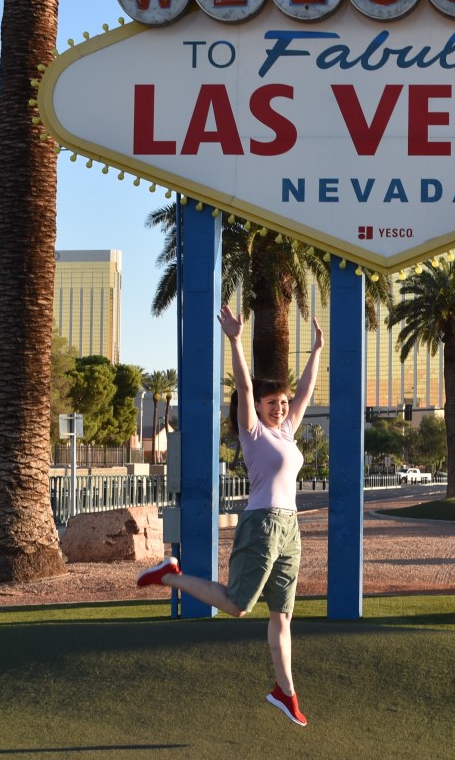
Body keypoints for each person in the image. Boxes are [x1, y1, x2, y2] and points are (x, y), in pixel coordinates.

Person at [136, 303, 323, 727]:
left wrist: (316, 350)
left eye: (283, 402)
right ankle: (169, 575)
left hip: (290, 529)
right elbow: (242, 384)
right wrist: (236, 341)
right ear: (258, 405)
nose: (281, 408)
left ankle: (285, 691)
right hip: (262, 525)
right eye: (272, 402)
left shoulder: (286, 431)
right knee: (239, 606)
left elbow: (306, 392)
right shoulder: (252, 431)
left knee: (283, 614)